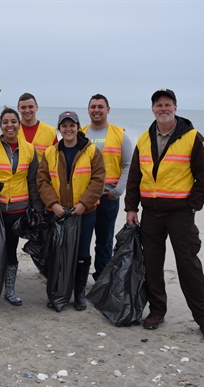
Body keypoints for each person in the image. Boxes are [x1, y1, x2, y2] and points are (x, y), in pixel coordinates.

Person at [124, 88, 204, 342]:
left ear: (175, 107)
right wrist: (131, 207)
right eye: (158, 105)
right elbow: (135, 176)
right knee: (152, 265)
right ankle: (157, 311)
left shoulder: (192, 137)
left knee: (188, 265)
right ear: (153, 109)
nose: (163, 109)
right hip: (151, 215)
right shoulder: (144, 139)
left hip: (180, 215)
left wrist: (193, 205)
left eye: (167, 104)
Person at [0, 108, 42, 307]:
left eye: (13, 121)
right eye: (5, 122)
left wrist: (36, 208)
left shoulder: (29, 149)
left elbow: (33, 181)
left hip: (17, 210)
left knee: (11, 251)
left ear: (19, 124)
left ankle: (9, 290)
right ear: (0, 125)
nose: (10, 125)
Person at [37, 111, 105, 311]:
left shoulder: (92, 151)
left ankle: (79, 293)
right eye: (64, 126)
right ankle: (59, 291)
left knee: (82, 253)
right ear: (59, 129)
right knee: (58, 252)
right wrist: (53, 205)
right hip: (58, 213)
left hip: (84, 212)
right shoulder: (50, 153)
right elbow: (42, 181)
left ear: (78, 127)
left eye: (72, 125)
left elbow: (98, 180)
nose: (68, 129)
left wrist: (83, 204)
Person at [81, 94, 134, 280]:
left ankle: (101, 282)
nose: (96, 110)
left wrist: (117, 191)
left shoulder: (120, 135)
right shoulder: (81, 133)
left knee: (104, 243)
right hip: (84, 200)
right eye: (93, 106)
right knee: (82, 242)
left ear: (108, 110)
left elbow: (129, 164)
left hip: (107, 198)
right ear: (88, 110)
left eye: (100, 106)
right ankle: (78, 281)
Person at [16, 92, 58, 160]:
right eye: (23, 107)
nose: (27, 110)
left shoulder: (50, 132)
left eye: (30, 107)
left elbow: (56, 158)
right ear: (18, 109)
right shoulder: (12, 131)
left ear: (37, 107)